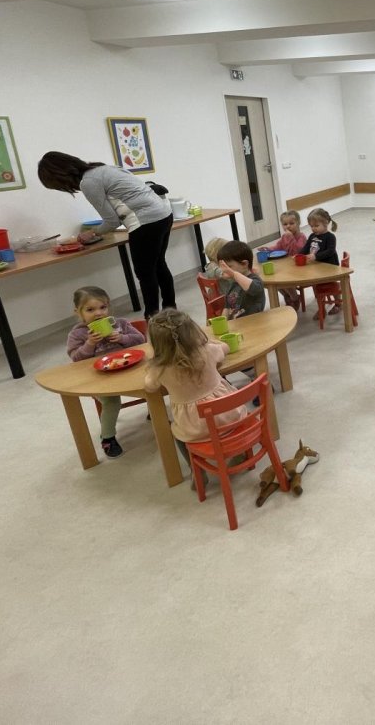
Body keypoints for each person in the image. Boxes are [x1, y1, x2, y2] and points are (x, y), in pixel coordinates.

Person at [37, 152, 175, 315]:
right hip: (164, 214)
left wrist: (91, 233)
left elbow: (112, 221)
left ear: (60, 176)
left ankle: (152, 318)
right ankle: (171, 311)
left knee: (145, 273)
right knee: (159, 265)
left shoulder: (88, 182)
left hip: (145, 222)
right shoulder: (104, 169)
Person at [143, 309, 244, 485]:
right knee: (229, 408)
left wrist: (152, 365)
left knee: (177, 433)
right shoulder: (207, 351)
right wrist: (209, 341)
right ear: (192, 332)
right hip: (231, 416)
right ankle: (240, 451)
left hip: (194, 429)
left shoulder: (159, 368)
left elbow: (149, 387)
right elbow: (225, 348)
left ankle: (196, 471)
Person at [65, 286, 147, 458]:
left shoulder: (120, 324)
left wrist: (122, 338)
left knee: (151, 383)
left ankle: (157, 414)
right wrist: (89, 344)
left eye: (102, 307)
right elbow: (76, 359)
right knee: (111, 402)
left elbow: (141, 340)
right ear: (78, 312)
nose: (98, 313)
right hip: (99, 379)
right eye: (90, 310)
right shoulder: (77, 334)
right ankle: (108, 437)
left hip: (128, 369)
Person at [258, 209, 308, 309]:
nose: (288, 226)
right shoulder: (284, 237)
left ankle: (295, 298)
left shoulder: (301, 237)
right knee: (275, 280)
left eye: (291, 223)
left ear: (298, 223)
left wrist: (291, 238)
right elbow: (278, 246)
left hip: (300, 267)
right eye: (285, 224)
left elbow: (298, 250)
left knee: (284, 280)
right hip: (288, 266)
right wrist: (268, 249)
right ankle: (288, 296)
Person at [216, 240, 265, 319]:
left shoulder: (255, 280)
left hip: (254, 323)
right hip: (236, 323)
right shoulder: (233, 283)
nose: (225, 270)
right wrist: (223, 321)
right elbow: (227, 307)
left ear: (244, 264)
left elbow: (253, 288)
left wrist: (233, 273)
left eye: (229, 266)